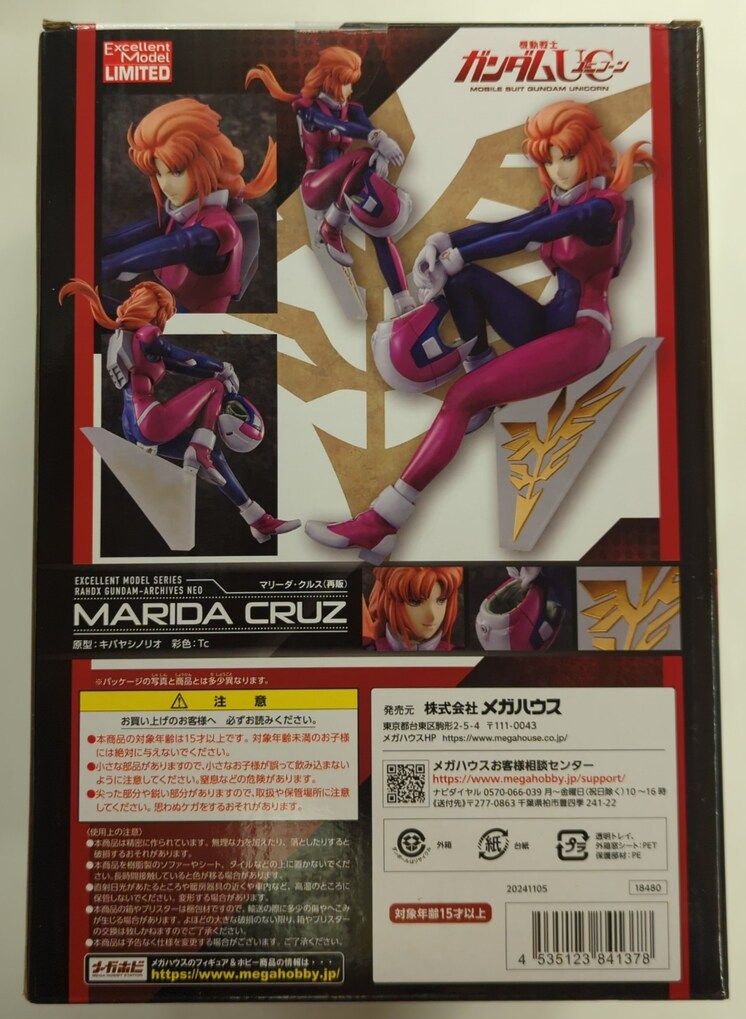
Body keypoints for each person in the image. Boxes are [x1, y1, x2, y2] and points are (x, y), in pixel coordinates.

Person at [306, 100, 653, 563]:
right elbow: (515, 225)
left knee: (461, 396)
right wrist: (447, 241)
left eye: (566, 157)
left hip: (583, 336)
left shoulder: (603, 206)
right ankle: (481, 379)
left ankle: (382, 523)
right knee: (465, 282)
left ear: (589, 152)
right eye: (550, 159)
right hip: (550, 322)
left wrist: (460, 253)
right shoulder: (560, 200)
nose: (557, 169)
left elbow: (533, 233)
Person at [60, 278, 299, 542]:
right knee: (215, 388)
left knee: (216, 455)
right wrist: (221, 368)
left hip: (133, 427)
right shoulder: (146, 334)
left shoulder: (128, 337)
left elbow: (182, 365)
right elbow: (183, 356)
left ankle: (258, 520)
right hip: (150, 422)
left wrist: (217, 369)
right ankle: (199, 449)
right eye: (165, 311)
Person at [246, 47, 413, 313]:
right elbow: (337, 127)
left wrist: (380, 147)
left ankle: (403, 300)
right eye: (347, 82)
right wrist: (376, 141)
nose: (350, 89)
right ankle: (331, 228)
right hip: (316, 186)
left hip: (347, 185)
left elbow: (366, 127)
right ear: (332, 80)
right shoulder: (308, 109)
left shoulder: (352, 109)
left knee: (380, 230)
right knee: (364, 154)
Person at [101, 98, 276, 313]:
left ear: (208, 164)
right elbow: (139, 232)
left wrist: (114, 265)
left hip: (194, 322)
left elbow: (181, 244)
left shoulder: (218, 227)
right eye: (159, 174)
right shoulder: (180, 215)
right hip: (169, 311)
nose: (165, 186)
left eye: (176, 172)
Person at [363, 566, 463, 651]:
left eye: (441, 600)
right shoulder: (369, 650)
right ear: (390, 601)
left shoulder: (458, 654)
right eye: (416, 602)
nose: (432, 616)